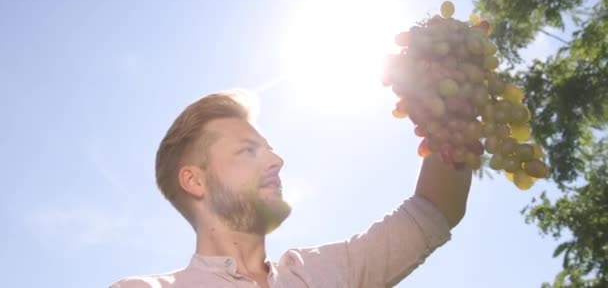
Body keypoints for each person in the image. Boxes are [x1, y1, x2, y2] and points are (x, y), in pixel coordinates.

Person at [110, 90, 472, 288]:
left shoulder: (322, 273)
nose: (277, 160)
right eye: (248, 151)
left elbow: (435, 209)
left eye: (269, 149)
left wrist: (453, 112)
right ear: (195, 180)